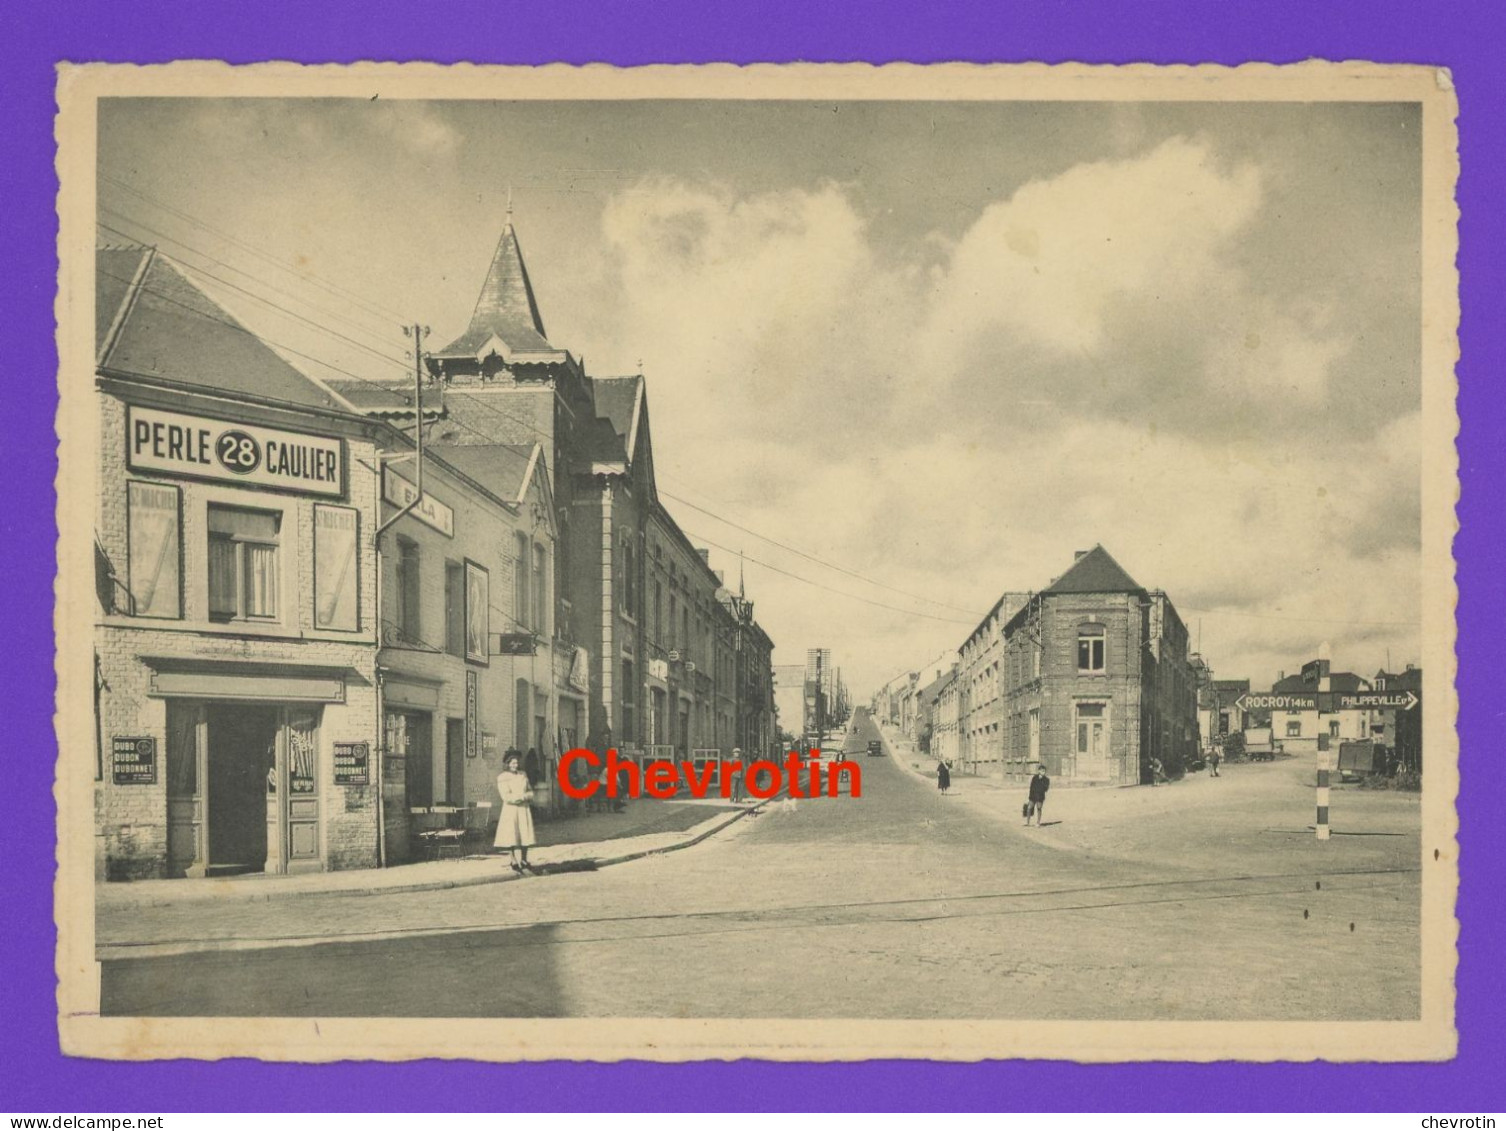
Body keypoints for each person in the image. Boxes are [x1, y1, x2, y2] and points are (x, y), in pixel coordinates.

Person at [495, 751, 536, 873]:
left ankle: (524, 859)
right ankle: (513, 859)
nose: (515, 765)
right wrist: (521, 797)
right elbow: (506, 796)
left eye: (517, 762)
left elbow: (530, 791)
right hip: (510, 810)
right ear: (507, 764)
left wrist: (526, 796)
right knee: (511, 835)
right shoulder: (502, 778)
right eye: (513, 763)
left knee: (525, 834)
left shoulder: (523, 775)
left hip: (523, 809)